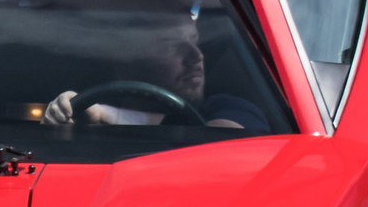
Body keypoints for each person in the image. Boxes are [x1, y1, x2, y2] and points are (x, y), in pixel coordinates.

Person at [41, 15, 266, 131]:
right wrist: (61, 118)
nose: (196, 56)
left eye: (195, 41)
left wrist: (110, 116)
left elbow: (219, 145)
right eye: (170, 46)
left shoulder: (231, 110)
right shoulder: (83, 116)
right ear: (126, 63)